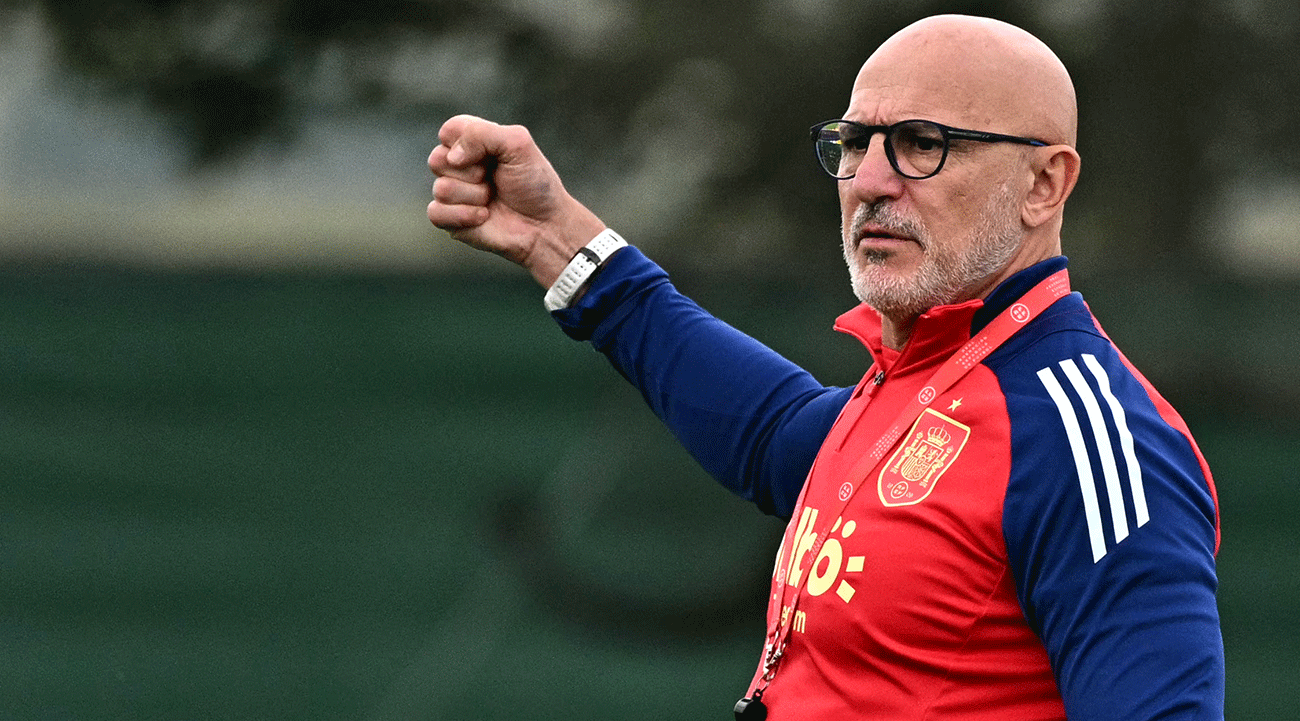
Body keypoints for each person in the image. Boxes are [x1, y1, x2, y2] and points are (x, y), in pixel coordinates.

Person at [426, 14, 1223, 721]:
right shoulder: (919, 378)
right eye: (855, 143)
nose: (869, 181)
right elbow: (771, 431)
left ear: (1044, 183)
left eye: (922, 144)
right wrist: (557, 238)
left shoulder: (1092, 439)